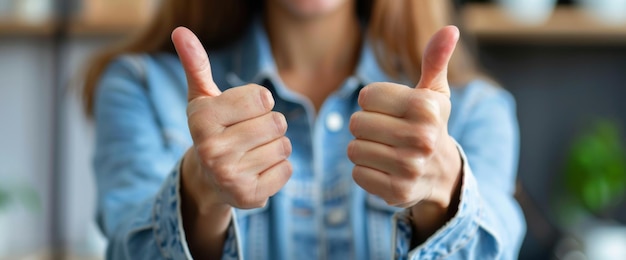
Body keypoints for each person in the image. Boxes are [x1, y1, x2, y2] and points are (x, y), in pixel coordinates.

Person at [83, 0, 525, 259]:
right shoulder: (142, 86)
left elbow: (499, 243)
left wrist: (443, 197)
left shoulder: (473, 108)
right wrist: (198, 191)